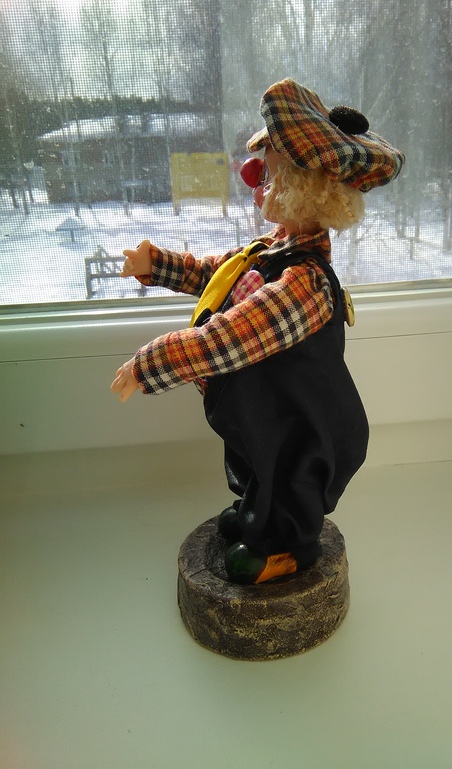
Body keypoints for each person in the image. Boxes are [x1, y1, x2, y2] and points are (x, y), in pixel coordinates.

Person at [110, 78, 404, 584]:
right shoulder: (269, 251)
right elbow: (216, 276)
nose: (254, 181)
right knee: (255, 460)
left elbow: (230, 338)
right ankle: (255, 514)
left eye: (267, 175)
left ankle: (289, 548)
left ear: (303, 189)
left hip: (300, 422)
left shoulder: (303, 284)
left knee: (288, 477)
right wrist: (157, 265)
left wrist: (151, 364)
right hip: (263, 409)